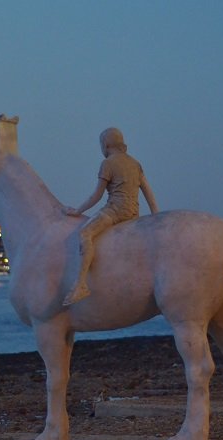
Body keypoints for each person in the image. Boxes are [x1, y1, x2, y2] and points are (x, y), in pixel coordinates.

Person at [62, 127, 159, 306]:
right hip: (133, 213)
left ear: (105, 145)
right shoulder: (135, 163)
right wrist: (156, 216)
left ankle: (81, 284)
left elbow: (96, 196)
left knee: (85, 233)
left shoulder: (108, 163)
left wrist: (77, 211)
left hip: (115, 211)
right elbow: (148, 193)